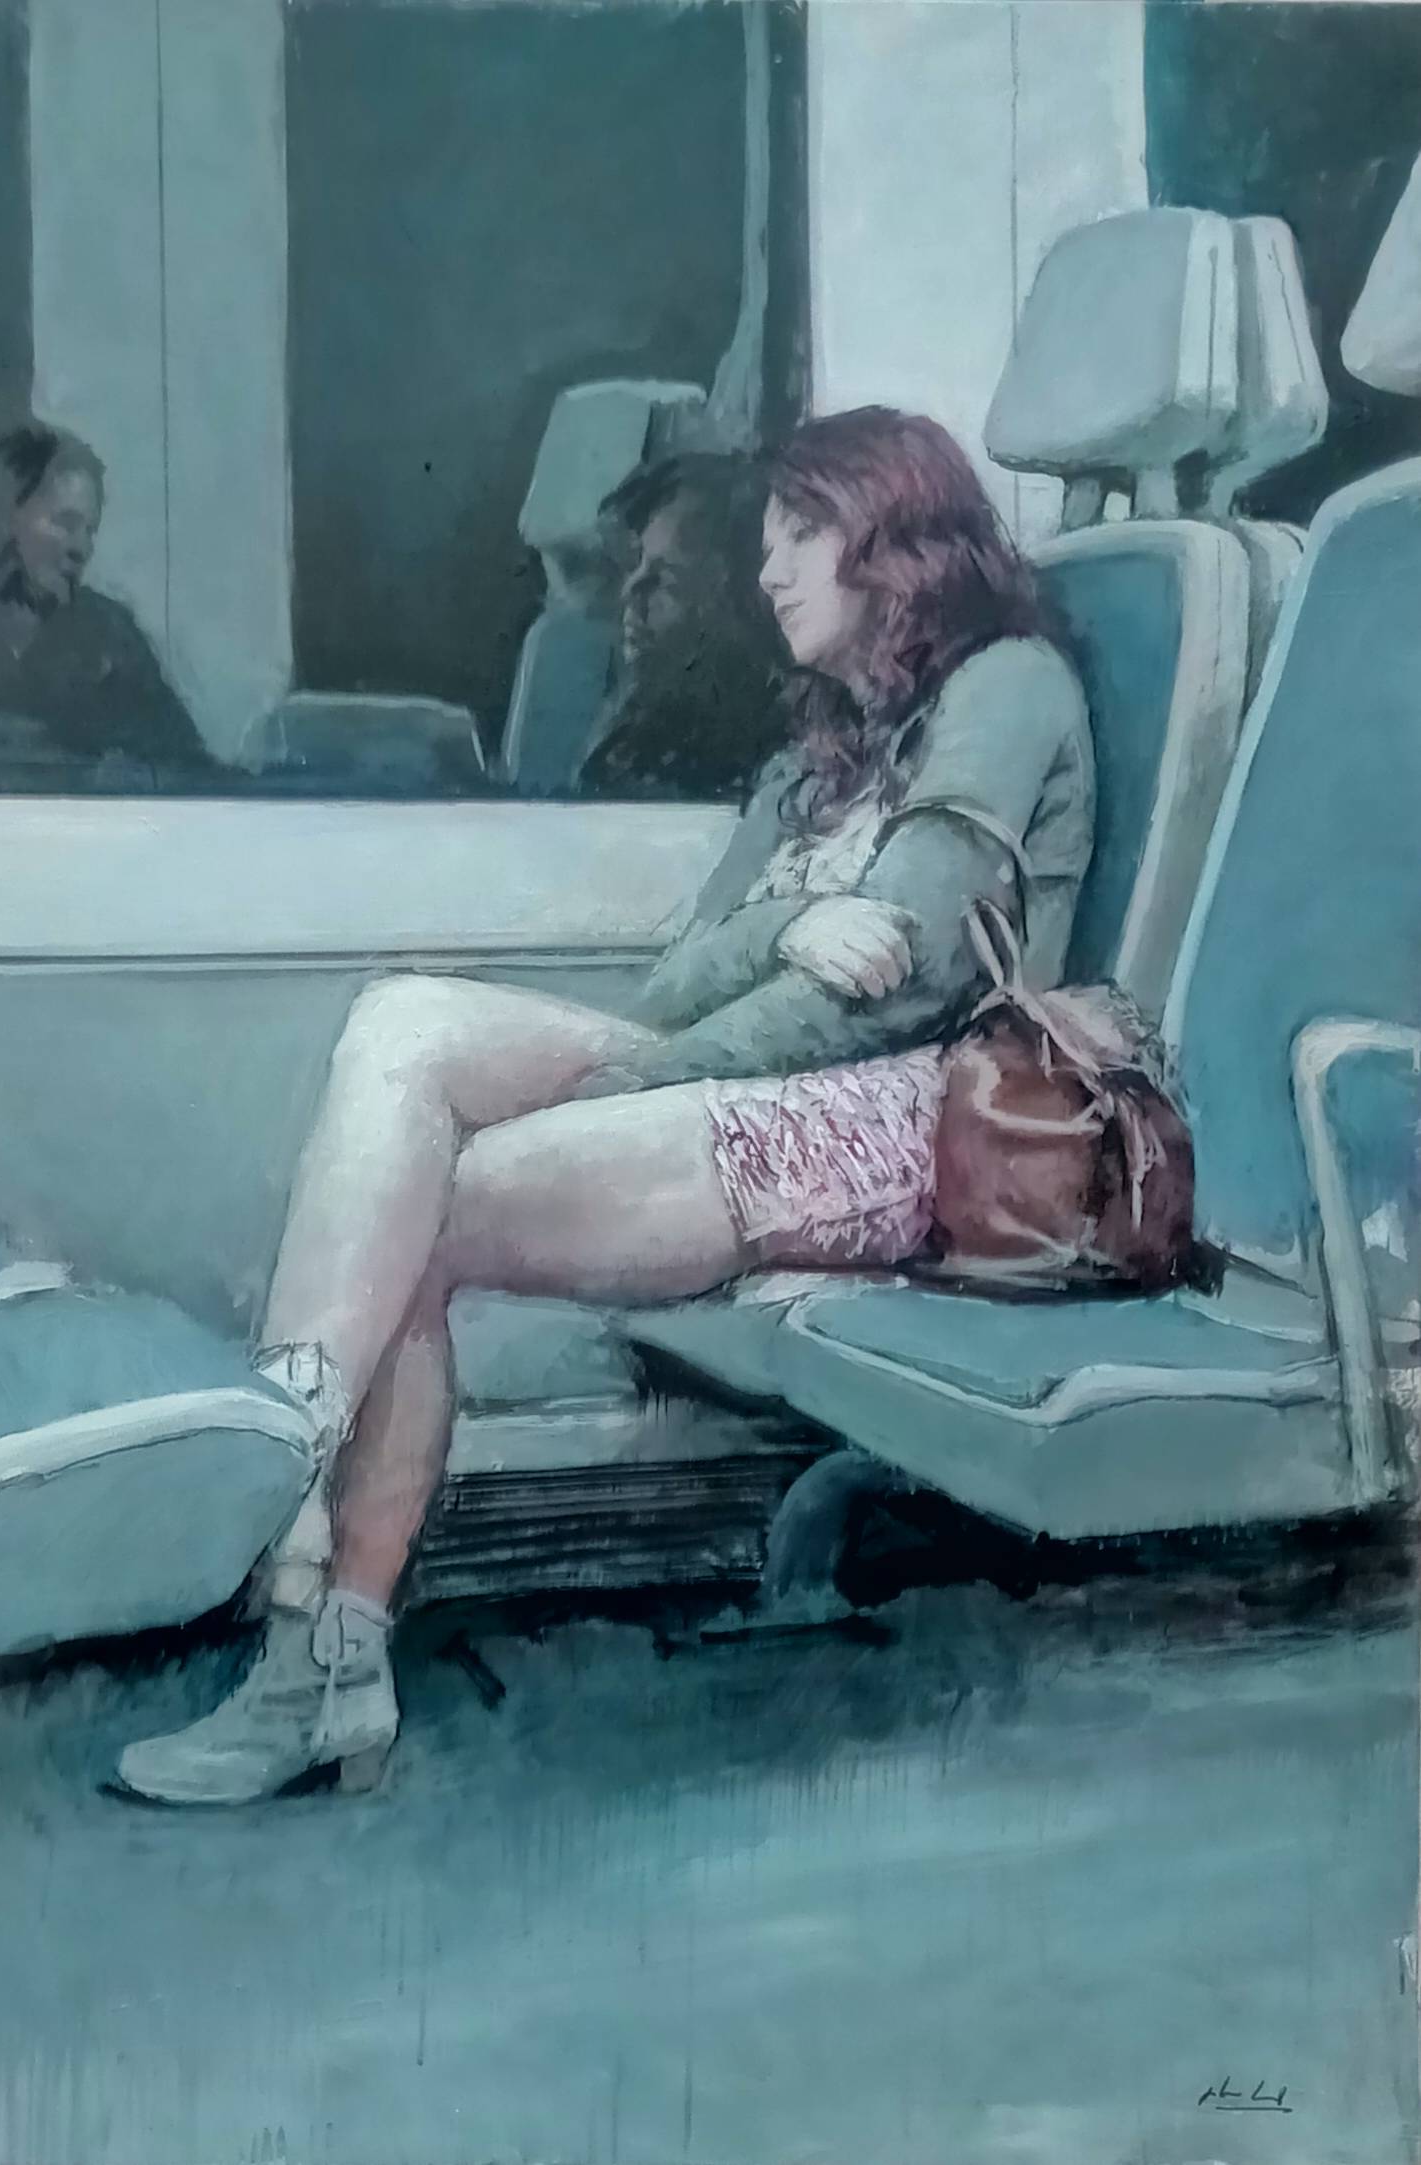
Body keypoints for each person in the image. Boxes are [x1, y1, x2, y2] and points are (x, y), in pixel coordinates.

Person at [116, 405, 1095, 1806]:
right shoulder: (814, 758)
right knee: (402, 1021)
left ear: (896, 537)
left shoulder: (1006, 686)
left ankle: (311, 1642)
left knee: (415, 1206)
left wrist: (647, 1072)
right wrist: (784, 927)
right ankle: (299, 1482)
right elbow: (678, 977)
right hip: (757, 1075)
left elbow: (911, 974)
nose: (766, 571)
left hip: (909, 1122)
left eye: (802, 535)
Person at [0, 422, 218, 789]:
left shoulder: (111, 638)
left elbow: (189, 766)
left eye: (89, 531)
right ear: (11, 517)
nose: (80, 548)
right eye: (65, 523)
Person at [578, 451, 790, 799]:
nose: (631, 589)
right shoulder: (633, 720)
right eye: (635, 564)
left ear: (738, 599)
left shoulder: (779, 758)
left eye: (667, 577)